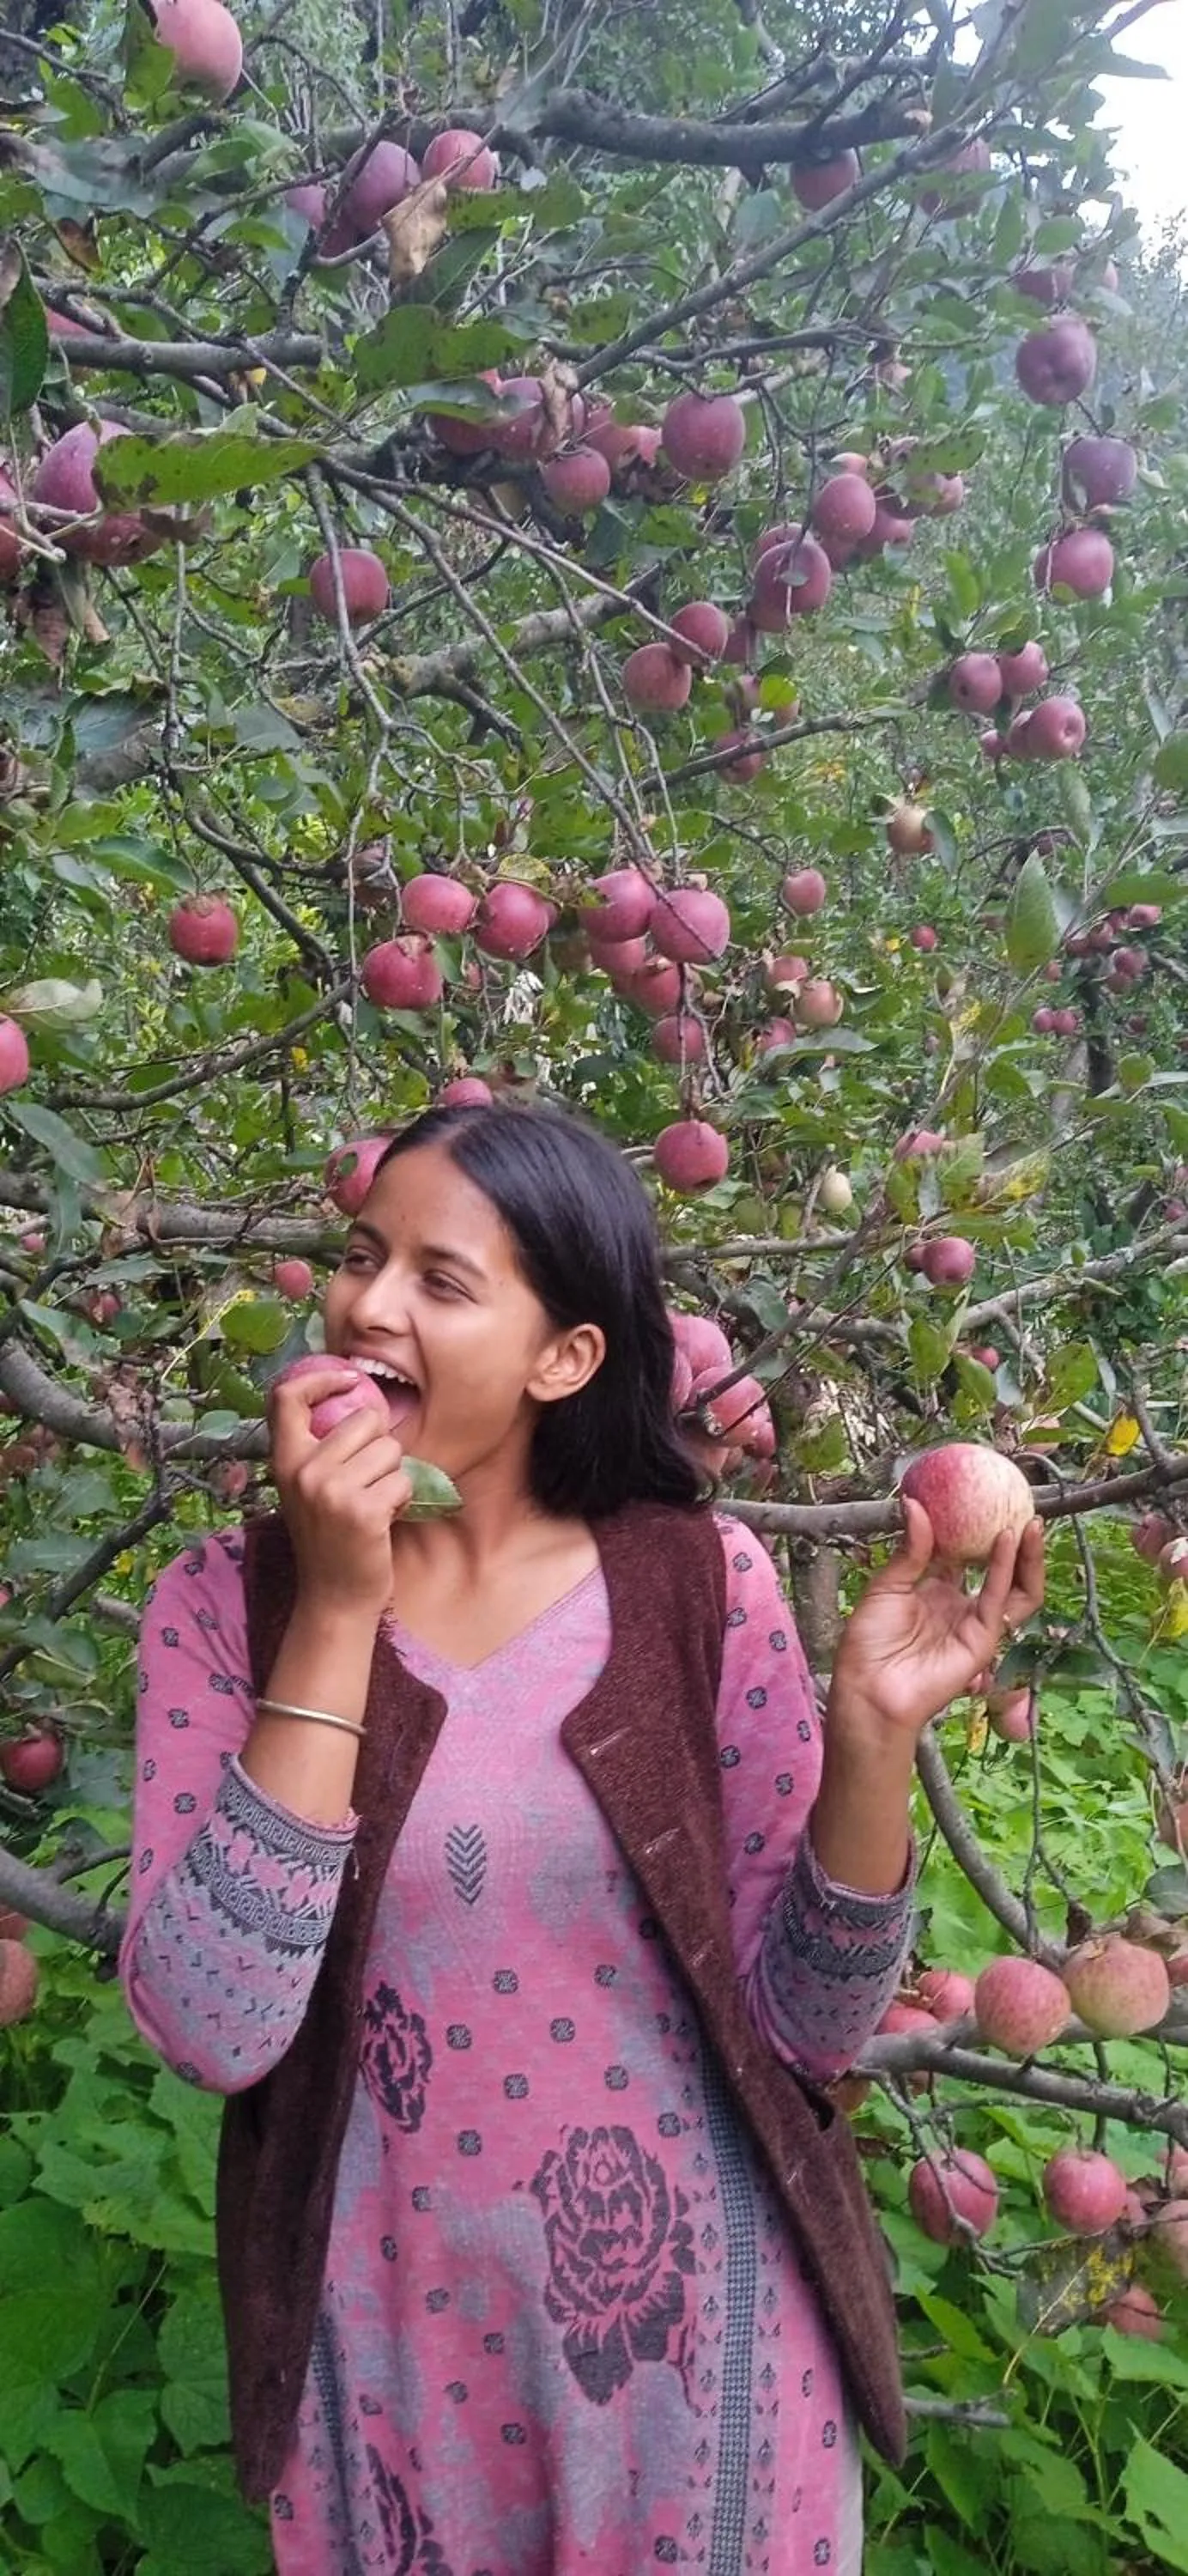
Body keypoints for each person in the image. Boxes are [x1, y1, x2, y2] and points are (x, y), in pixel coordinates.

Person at [119, 1100, 1043, 2576]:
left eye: (442, 1278)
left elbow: (806, 2025)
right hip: (399, 2365)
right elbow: (214, 2026)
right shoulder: (223, 1607)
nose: (365, 1304)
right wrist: (340, 1609)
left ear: (567, 1357)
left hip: (704, 2371)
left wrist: (872, 1741)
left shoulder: (701, 1586)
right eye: (363, 1257)